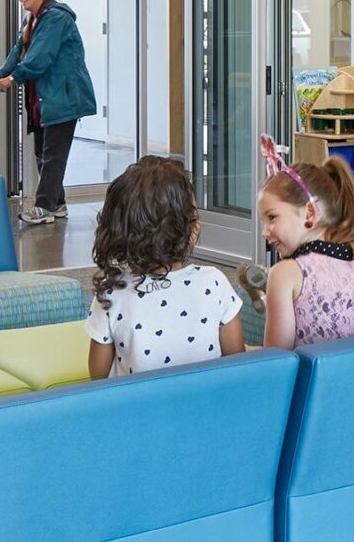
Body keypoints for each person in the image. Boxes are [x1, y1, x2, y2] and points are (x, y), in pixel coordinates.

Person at [85, 155, 246, 378]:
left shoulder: (112, 292)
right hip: (207, 408)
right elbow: (238, 363)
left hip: (139, 410)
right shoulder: (214, 281)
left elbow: (97, 376)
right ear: (186, 228)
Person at [0, 0, 96, 225]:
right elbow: (19, 52)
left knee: (53, 154)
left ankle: (44, 207)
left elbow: (40, 57)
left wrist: (12, 79)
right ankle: (58, 204)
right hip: (43, 99)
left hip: (63, 96)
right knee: (43, 153)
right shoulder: (32, 20)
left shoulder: (57, 18)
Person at [258, 154, 354, 348]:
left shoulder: (284, 274)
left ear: (310, 213)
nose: (264, 232)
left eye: (272, 217)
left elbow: (276, 363)